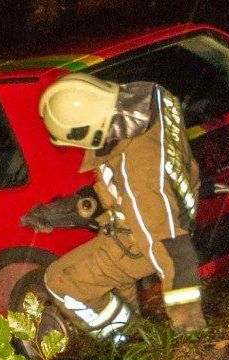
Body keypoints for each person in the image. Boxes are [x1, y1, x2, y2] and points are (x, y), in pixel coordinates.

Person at [21, 74, 205, 343]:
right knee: (113, 278)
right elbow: (117, 189)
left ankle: (127, 340)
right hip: (166, 213)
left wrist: (189, 327)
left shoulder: (138, 175)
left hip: (137, 240)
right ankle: (138, 331)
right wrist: (64, 211)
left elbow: (170, 246)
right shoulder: (148, 108)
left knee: (61, 281)